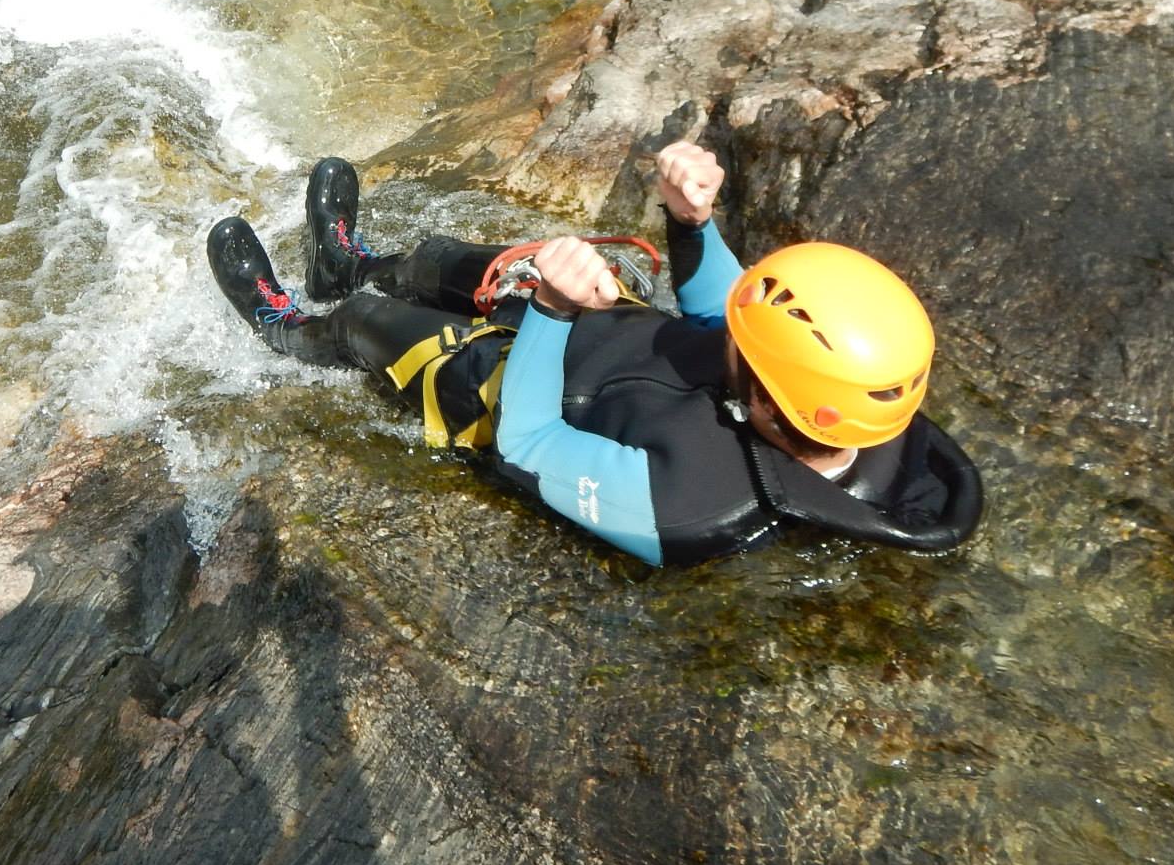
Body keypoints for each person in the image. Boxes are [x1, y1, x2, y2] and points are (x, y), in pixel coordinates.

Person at [206, 141, 983, 566]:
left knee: (369, 325)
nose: (731, 334)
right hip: (602, 329)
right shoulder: (843, 402)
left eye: (746, 347)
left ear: (769, 404)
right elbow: (720, 311)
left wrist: (549, 309)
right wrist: (691, 222)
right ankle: (349, 264)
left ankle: (288, 323)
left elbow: (531, 443)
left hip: (507, 393)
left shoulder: (689, 506)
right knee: (449, 261)